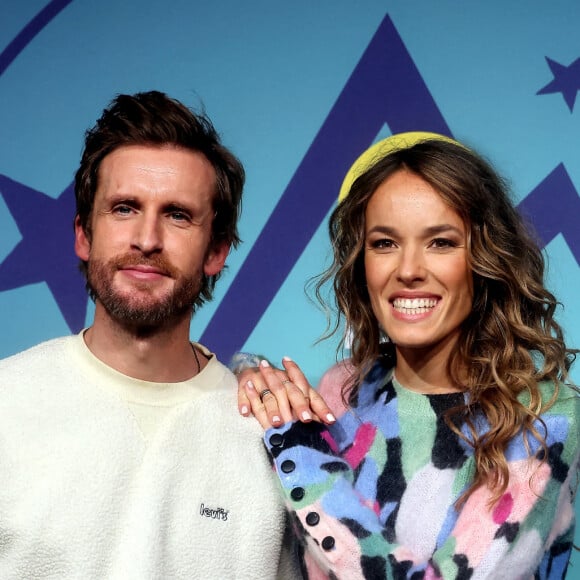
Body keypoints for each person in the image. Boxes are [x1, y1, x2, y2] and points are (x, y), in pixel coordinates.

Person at [236, 132, 580, 579]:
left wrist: (300, 454)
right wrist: (256, 381)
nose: (409, 269)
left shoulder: (544, 415)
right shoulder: (341, 392)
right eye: (384, 243)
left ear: (484, 259)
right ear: (362, 264)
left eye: (441, 242)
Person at [0, 91, 298, 578]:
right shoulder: (6, 403)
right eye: (123, 208)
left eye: (178, 214)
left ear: (216, 251)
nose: (146, 239)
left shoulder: (271, 437)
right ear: (83, 235)